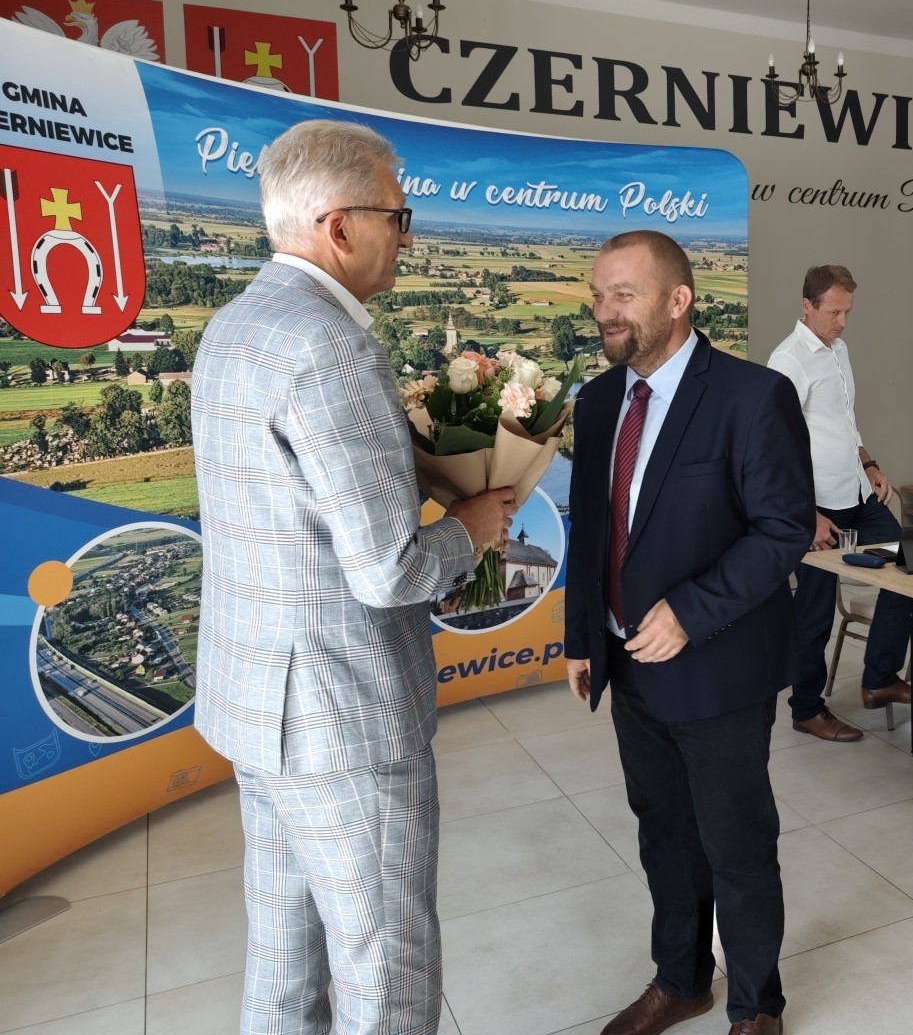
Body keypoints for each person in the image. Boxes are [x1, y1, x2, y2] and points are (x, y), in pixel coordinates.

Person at [191, 119, 517, 1035]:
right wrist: (470, 529)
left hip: (258, 704)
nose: (407, 238)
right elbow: (390, 568)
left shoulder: (235, 326)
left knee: (282, 961)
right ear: (339, 226)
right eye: (398, 217)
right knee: (386, 969)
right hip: (342, 717)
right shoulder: (331, 344)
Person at [564, 230, 812, 1035]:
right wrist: (582, 637)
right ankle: (680, 981)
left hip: (718, 668)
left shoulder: (753, 395)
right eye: (598, 296)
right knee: (664, 834)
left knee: (736, 844)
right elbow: (591, 532)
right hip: (629, 668)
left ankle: (756, 1005)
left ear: (679, 300)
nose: (605, 311)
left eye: (623, 295)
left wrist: (690, 611)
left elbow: (783, 530)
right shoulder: (598, 401)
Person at [768, 264, 913, 742]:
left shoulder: (839, 350)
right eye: (833, 312)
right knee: (814, 611)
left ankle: (879, 678)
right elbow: (774, 445)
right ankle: (807, 709)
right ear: (806, 306)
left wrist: (869, 464)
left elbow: (844, 423)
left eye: (848, 311)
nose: (842, 322)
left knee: (906, 566)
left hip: (855, 491)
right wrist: (806, 514)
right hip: (815, 507)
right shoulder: (788, 360)